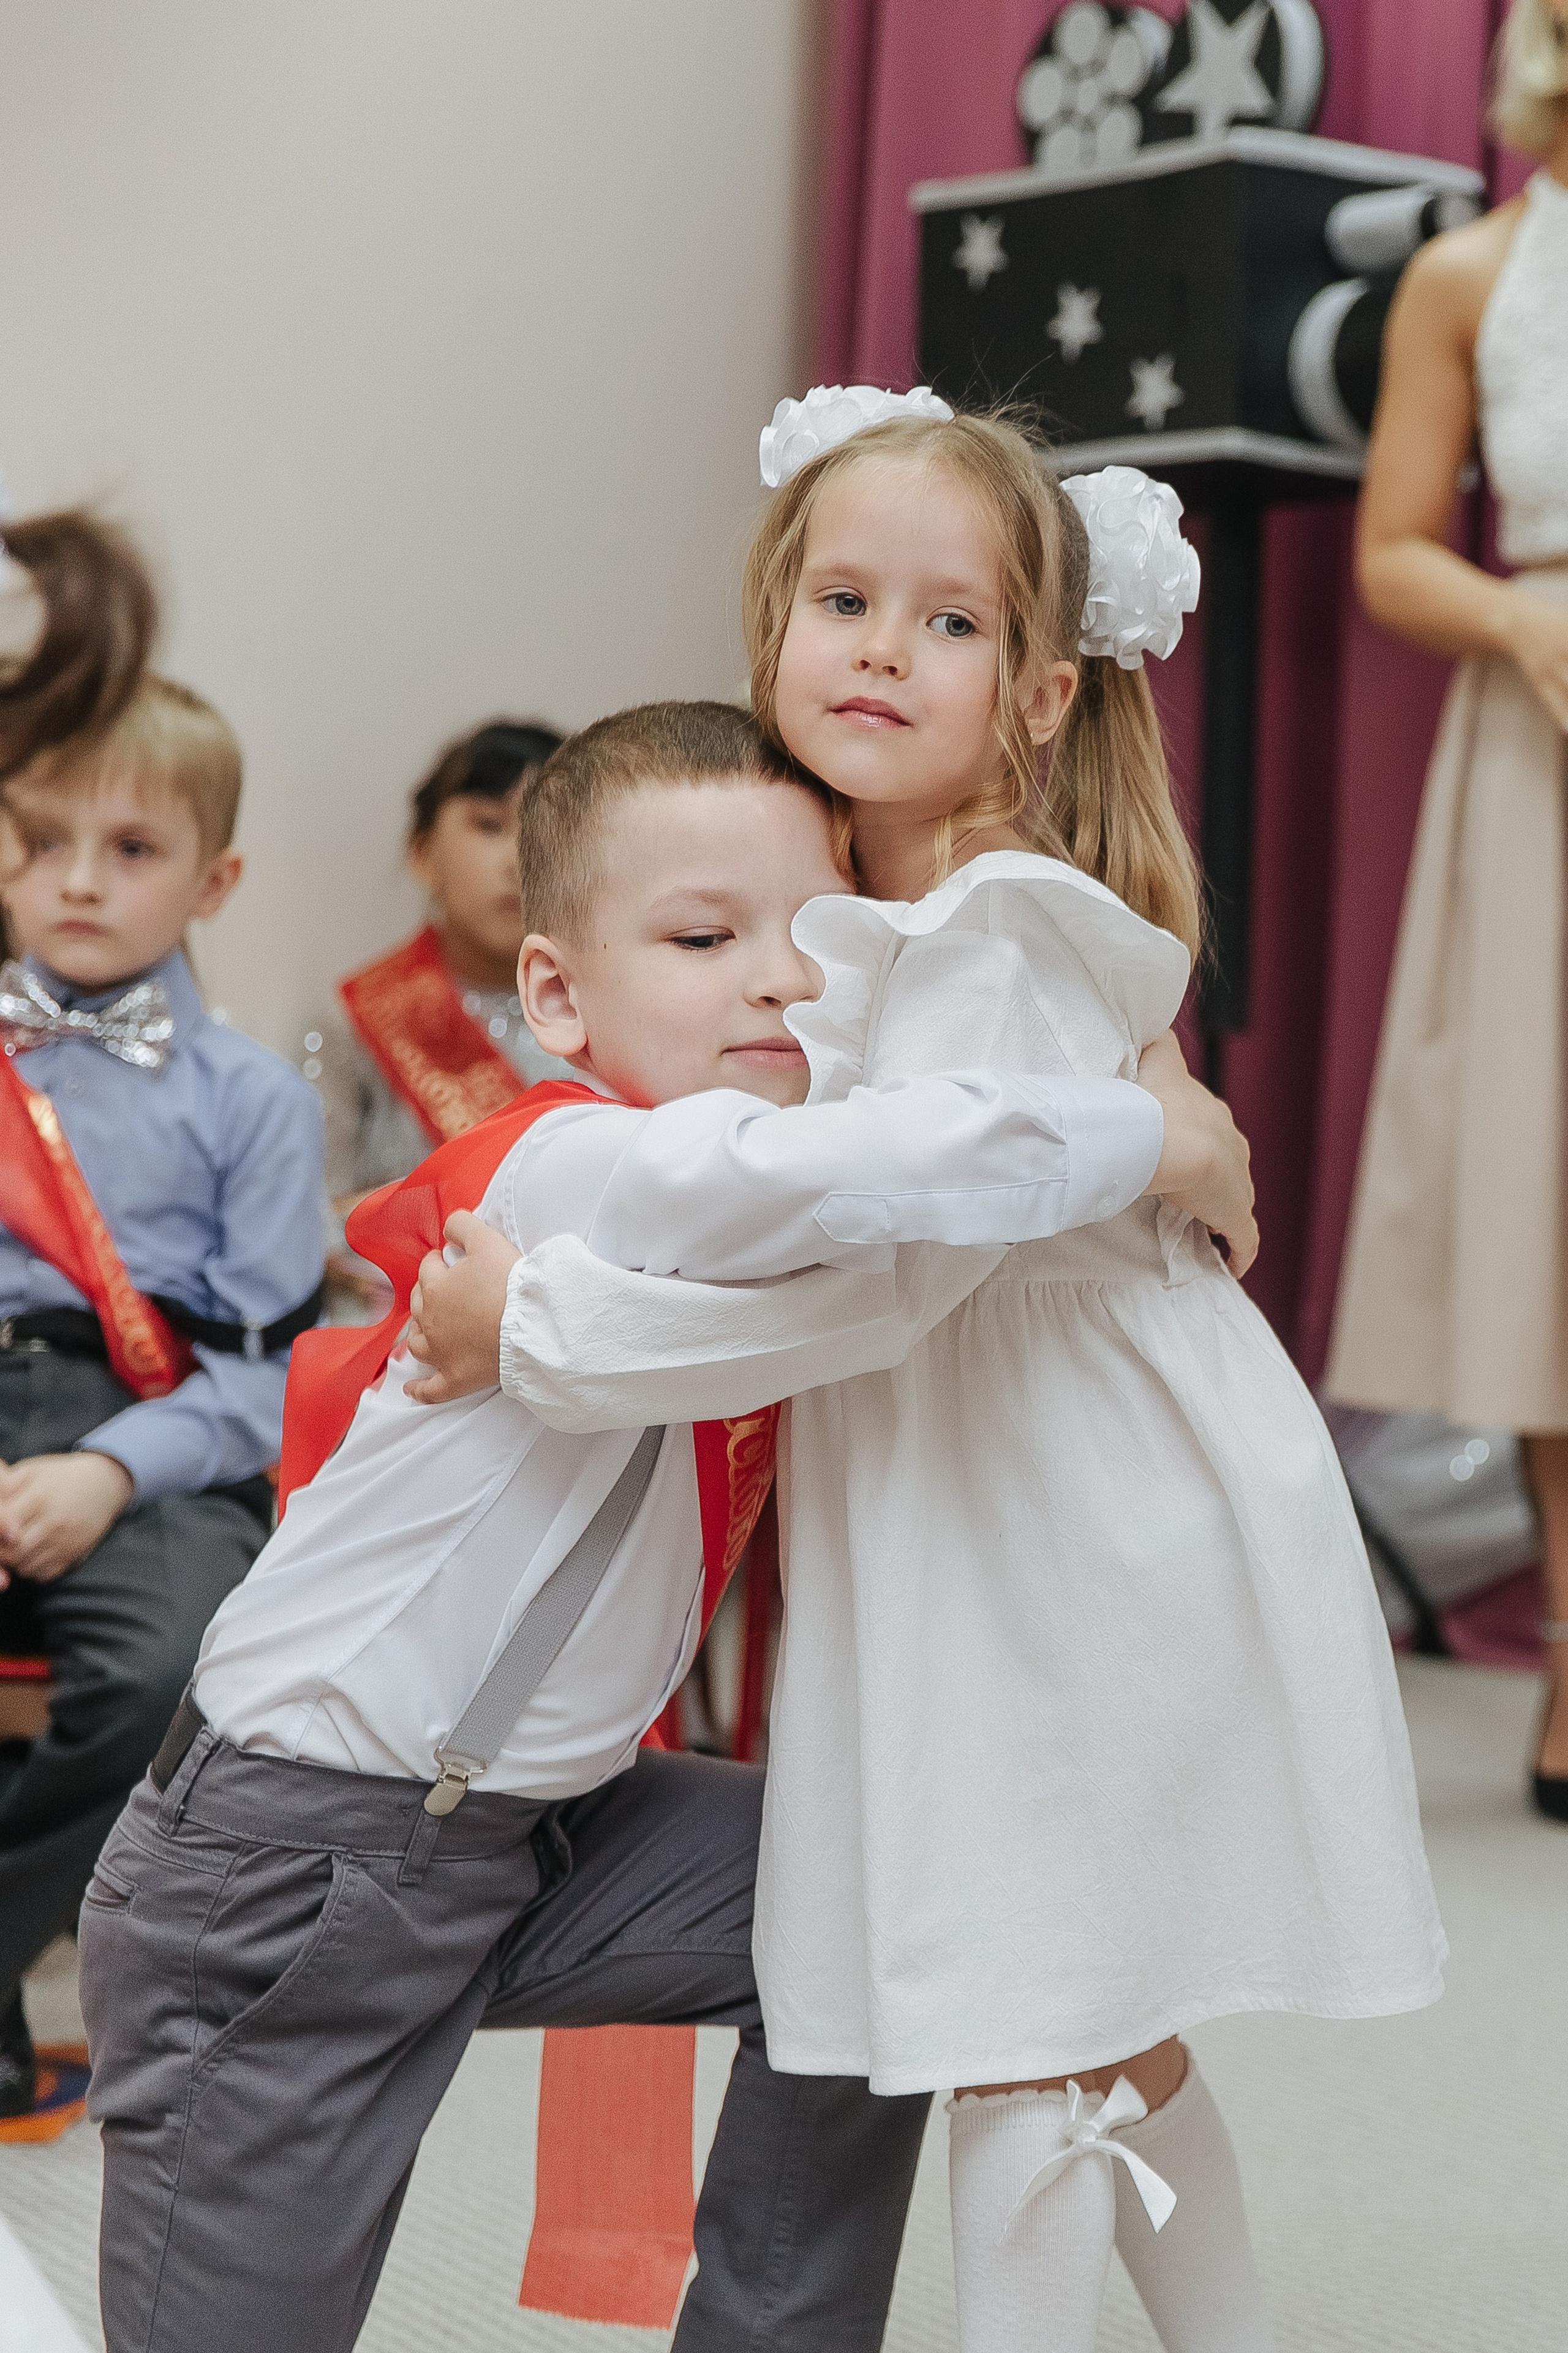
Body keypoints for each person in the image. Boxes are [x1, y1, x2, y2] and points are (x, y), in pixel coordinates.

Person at [418, 402, 1447, 2353]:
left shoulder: (986, 928)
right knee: (1084, 2012)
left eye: (947, 621)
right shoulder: (855, 924)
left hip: (1061, 1508)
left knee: (1016, 2011)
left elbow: (878, 1288)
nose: (882, 646)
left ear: (1046, 692)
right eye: (843, 597)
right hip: (987, 1486)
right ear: (772, 624)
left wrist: (542, 1330)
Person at [78, 698, 1253, 2353]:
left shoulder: (756, 1202)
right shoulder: (570, 1168)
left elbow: (894, 1284)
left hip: (532, 1830)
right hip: (291, 1871)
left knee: (874, 1887)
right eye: (705, 937)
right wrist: (1154, 1133)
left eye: (819, 936)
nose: (781, 979)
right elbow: (862, 1181)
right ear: (556, 992)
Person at [0, 513, 325, 2121]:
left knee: (177, 1665)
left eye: (130, 850)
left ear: (218, 877)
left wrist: (111, 1471)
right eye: (36, 836)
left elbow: (269, 1382)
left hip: (148, 1427)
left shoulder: (254, 1100)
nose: (73, 879)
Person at [1327, 0, 1568, 1822]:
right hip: (1545, 727)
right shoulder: (1471, 270)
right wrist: (1523, 619)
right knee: (1545, 1193)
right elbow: (1395, 541)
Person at [304, 718, 571, 1308]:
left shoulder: (611, 1014)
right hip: (401, 1331)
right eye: (490, 825)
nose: (517, 859)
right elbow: (307, 1211)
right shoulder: (354, 1019)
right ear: (423, 852)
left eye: (547, 829)